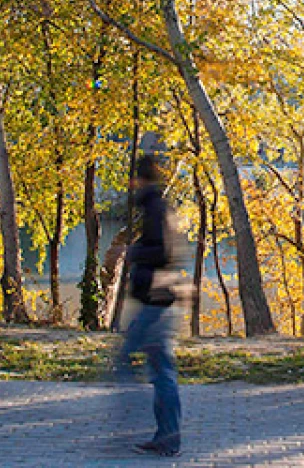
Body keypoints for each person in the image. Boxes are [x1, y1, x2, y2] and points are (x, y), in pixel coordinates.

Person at [116, 154, 182, 457]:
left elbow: (162, 252)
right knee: (157, 369)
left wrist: (132, 252)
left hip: (157, 302)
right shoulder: (157, 207)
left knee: (145, 367)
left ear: (139, 180)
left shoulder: (155, 208)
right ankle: (164, 435)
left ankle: (163, 435)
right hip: (157, 300)